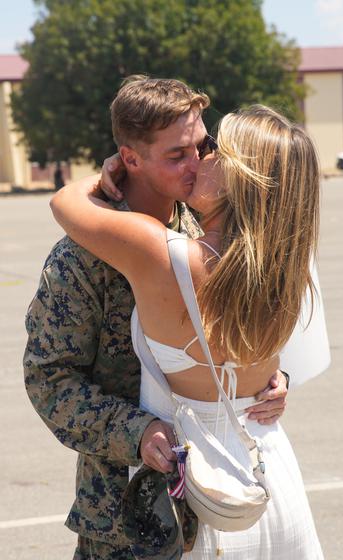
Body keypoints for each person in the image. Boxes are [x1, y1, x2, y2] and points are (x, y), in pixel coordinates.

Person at [23, 76, 288, 560]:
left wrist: (267, 379)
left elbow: (238, 336)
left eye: (202, 146)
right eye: (177, 155)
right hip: (129, 516)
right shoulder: (81, 259)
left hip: (224, 502)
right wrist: (136, 431)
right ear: (130, 160)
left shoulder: (202, 225)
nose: (199, 164)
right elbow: (49, 379)